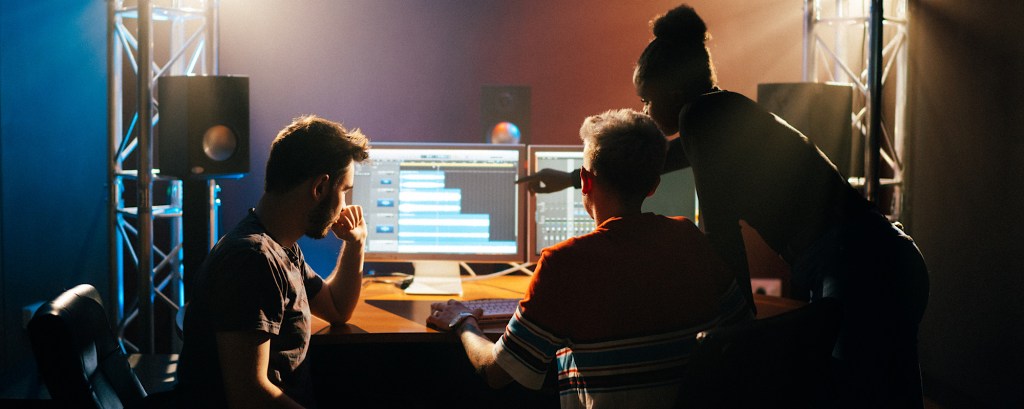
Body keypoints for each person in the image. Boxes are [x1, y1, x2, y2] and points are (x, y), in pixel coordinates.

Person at [518, 4, 930, 408]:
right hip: (882, 258)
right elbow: (652, 161)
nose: (644, 111)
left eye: (646, 100)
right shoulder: (720, 111)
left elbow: (721, 233)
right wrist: (571, 178)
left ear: (673, 91)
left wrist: (736, 334)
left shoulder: (700, 116)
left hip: (861, 269)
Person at [428, 109, 751, 409]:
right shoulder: (690, 238)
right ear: (653, 185)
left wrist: (463, 320)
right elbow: (741, 324)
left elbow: (496, 372)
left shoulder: (566, 263)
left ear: (585, 180)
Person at [175, 115, 371, 408]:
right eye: (344, 190)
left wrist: (356, 243)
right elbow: (249, 396)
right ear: (320, 188)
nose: (345, 204)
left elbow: (337, 308)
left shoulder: (280, 245)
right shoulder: (251, 260)